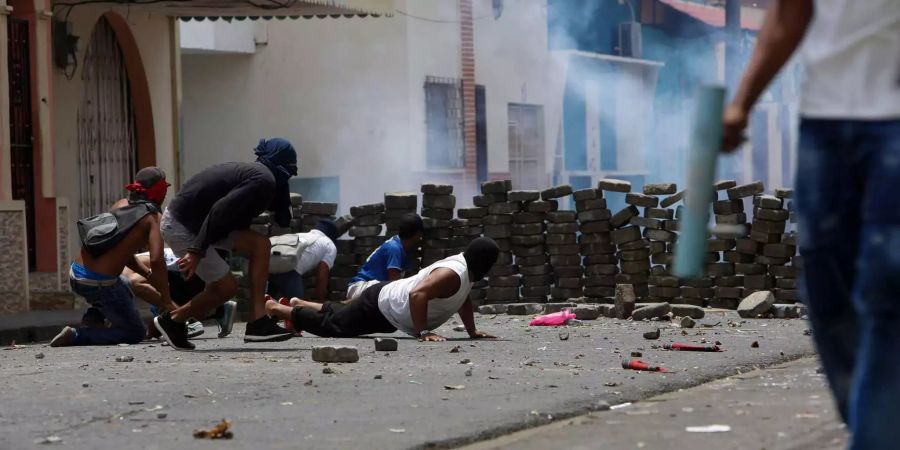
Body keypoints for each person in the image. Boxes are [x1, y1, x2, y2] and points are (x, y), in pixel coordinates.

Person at [721, 2, 900, 448]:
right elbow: (788, 14)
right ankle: (873, 419)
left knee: (885, 285)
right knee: (824, 282)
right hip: (825, 122)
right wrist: (742, 101)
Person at [154, 138, 298, 350]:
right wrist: (196, 250)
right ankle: (173, 319)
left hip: (198, 222)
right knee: (226, 288)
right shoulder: (263, 179)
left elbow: (282, 218)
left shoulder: (262, 177)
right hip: (183, 225)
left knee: (260, 245)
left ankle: (258, 322)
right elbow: (220, 210)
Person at [264, 237, 500, 341]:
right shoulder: (453, 273)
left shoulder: (466, 272)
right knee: (335, 326)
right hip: (383, 304)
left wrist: (472, 331)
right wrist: (423, 333)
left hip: (389, 308)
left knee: (341, 313)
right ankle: (277, 308)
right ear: (484, 262)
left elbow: (463, 299)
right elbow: (417, 294)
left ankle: (298, 303)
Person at [50, 167, 172, 347]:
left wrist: (147, 274)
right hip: (98, 284)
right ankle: (78, 335)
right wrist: (167, 300)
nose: (165, 195)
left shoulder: (121, 204)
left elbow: (123, 253)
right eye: (164, 191)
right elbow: (157, 261)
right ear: (158, 192)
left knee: (127, 283)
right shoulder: (153, 219)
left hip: (76, 274)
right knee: (134, 332)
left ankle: (93, 317)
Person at [124, 248, 237, 339]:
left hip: (191, 274)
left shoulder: (126, 270)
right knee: (156, 331)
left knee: (133, 283)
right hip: (188, 279)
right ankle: (217, 309)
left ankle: (187, 321)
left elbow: (156, 280)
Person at [345, 213, 423, 300]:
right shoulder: (394, 248)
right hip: (359, 288)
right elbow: (395, 285)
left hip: (370, 289)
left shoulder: (406, 250)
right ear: (418, 234)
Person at [267, 220, 339, 302]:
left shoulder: (301, 235)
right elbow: (321, 278)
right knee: (298, 309)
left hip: (271, 268)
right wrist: (322, 305)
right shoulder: (329, 244)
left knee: (266, 304)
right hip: (290, 272)